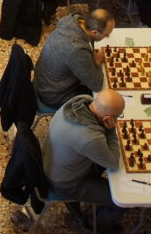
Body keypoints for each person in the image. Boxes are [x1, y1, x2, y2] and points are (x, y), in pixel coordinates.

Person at [43, 89, 125, 231]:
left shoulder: (79, 100)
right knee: (121, 202)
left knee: (103, 158)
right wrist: (111, 130)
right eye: (117, 117)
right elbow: (113, 163)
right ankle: (94, 224)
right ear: (108, 118)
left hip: (50, 162)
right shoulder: (90, 138)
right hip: (66, 184)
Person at [34, 9, 114, 108]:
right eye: (107, 35)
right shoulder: (77, 50)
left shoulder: (72, 21)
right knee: (103, 103)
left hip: (43, 82)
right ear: (95, 32)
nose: (107, 37)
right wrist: (97, 62)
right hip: (54, 95)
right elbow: (96, 85)